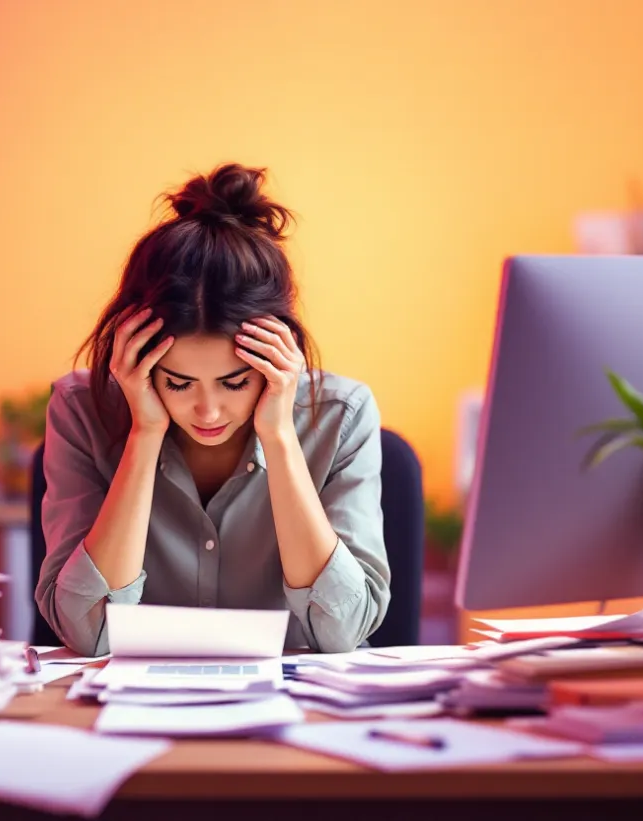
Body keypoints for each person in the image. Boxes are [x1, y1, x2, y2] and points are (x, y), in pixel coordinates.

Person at [35, 163, 391, 656]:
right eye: (178, 383)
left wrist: (281, 438)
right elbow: (87, 632)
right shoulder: (82, 412)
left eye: (235, 381)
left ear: (276, 355)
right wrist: (145, 433)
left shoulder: (342, 416)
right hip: (132, 715)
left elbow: (343, 631)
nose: (207, 410)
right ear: (139, 357)